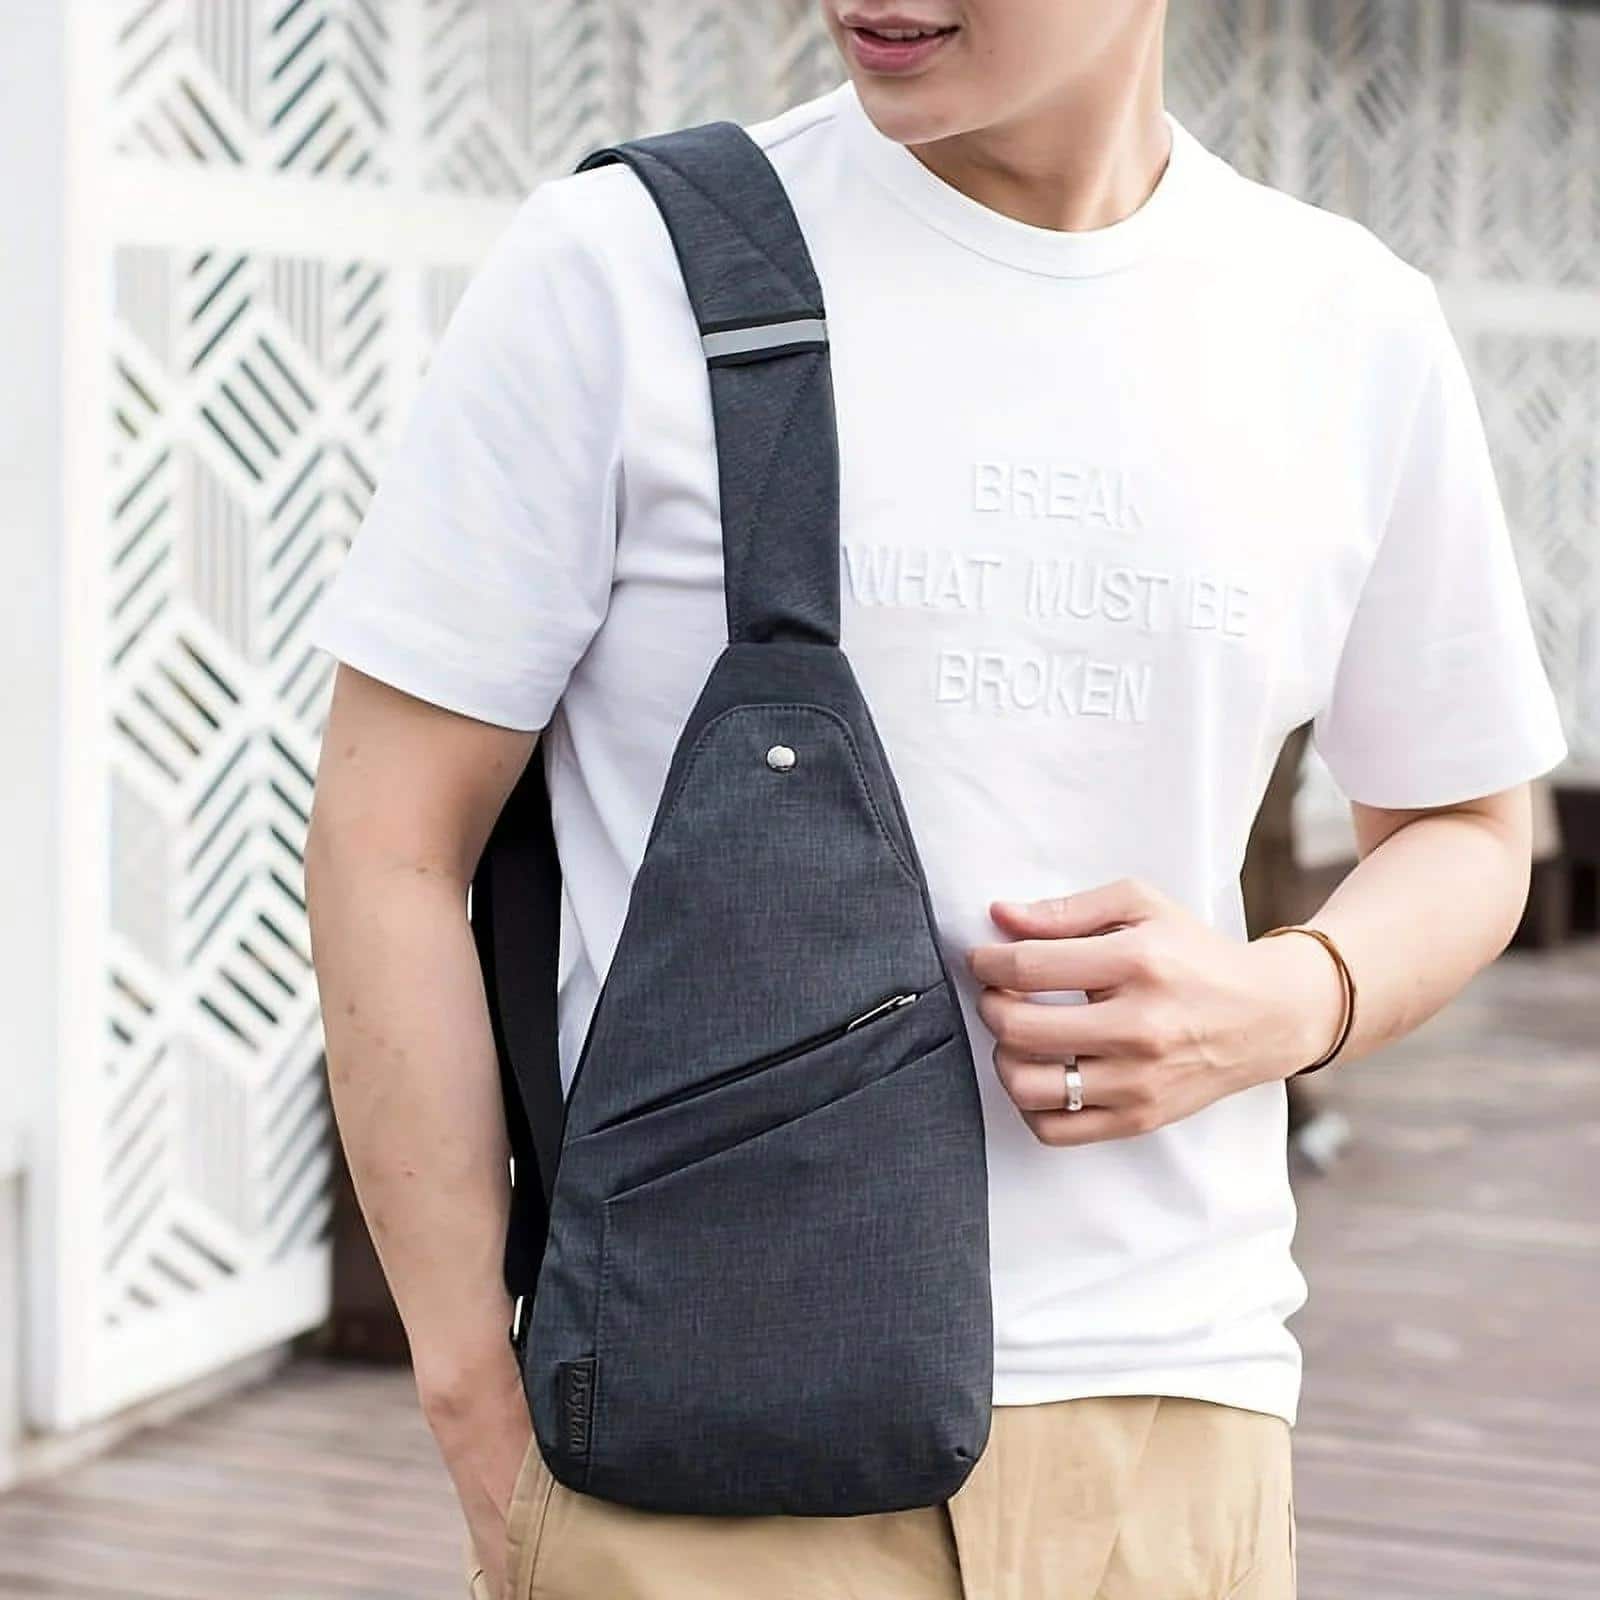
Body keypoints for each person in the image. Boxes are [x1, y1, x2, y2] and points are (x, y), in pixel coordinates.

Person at [302, 3, 1568, 1597]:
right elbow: (389, 839)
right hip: (701, 1428)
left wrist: (1282, 1002)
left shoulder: (1345, 325)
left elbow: (1465, 827)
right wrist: (469, 1401)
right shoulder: (623, 268)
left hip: (1174, 1430)